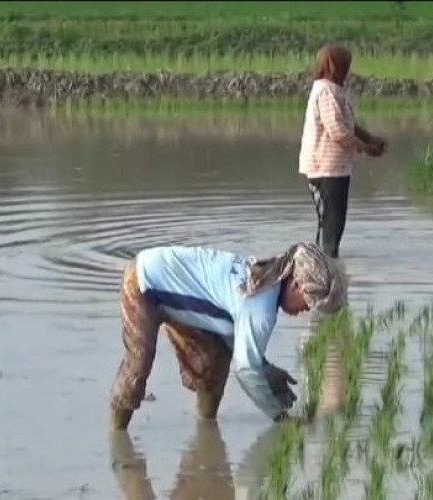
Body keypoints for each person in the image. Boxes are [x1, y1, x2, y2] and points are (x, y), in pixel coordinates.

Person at [109, 241, 347, 430]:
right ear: (295, 285)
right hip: (144, 282)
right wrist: (281, 417)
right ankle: (116, 436)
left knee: (215, 363)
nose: (306, 309)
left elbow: (238, 343)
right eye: (308, 301)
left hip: (181, 296)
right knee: (137, 367)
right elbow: (245, 371)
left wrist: (266, 370)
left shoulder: (267, 277)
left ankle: (206, 431)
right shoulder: (261, 306)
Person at [299, 43, 387, 258]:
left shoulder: (334, 90)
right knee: (330, 220)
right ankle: (325, 264)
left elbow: (347, 124)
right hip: (325, 167)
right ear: (336, 66)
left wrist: (369, 138)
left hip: (335, 167)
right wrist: (365, 148)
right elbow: (338, 131)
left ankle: (328, 261)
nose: (348, 69)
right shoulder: (326, 92)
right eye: (345, 65)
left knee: (335, 219)